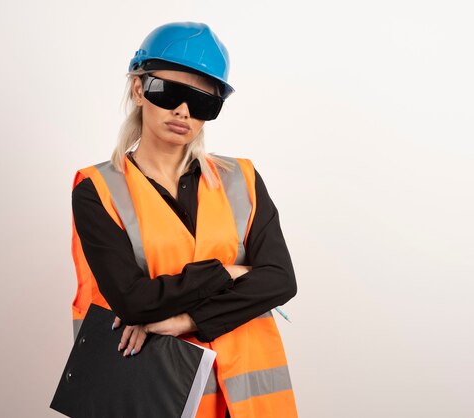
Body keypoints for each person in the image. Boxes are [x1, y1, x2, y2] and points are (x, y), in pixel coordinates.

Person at [70, 22, 298, 418]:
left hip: (249, 400)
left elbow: (280, 278)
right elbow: (134, 301)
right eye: (170, 92)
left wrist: (187, 319)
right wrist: (230, 270)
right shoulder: (96, 190)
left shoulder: (240, 179)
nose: (184, 111)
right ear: (139, 89)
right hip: (152, 394)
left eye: (203, 103)